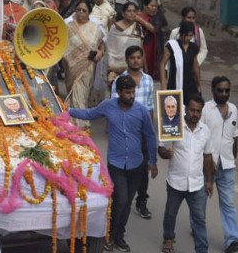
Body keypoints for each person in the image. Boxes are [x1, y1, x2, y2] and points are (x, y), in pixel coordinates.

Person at [68, 75, 158, 253]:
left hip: (136, 165)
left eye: (133, 92)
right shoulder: (108, 106)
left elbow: (150, 135)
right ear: (118, 93)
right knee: (120, 200)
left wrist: (153, 161)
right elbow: (89, 114)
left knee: (127, 203)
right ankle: (109, 236)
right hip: (116, 164)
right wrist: (68, 110)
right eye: (127, 92)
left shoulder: (141, 111)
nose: (131, 96)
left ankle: (119, 238)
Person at [158, 94, 214, 253]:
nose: (195, 114)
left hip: (197, 184)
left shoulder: (205, 131)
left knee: (200, 220)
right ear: (185, 109)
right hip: (175, 182)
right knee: (170, 214)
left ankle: (202, 249)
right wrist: (164, 153)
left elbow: (208, 156)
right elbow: (161, 148)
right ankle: (168, 238)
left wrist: (209, 181)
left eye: (198, 111)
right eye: (191, 110)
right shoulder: (173, 124)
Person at [110, 45, 156, 220]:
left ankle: (141, 202)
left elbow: (150, 106)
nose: (136, 60)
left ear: (142, 59)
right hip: (125, 134)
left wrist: (150, 132)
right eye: (132, 58)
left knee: (143, 169)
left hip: (143, 133)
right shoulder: (118, 82)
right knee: (124, 168)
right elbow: (114, 109)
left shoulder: (149, 80)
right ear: (126, 60)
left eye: (139, 57)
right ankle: (122, 201)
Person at [201, 76, 238, 253]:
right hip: (207, 165)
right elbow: (199, 137)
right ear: (213, 90)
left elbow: (235, 135)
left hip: (227, 166)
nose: (224, 93)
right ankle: (196, 228)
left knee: (228, 203)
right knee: (199, 202)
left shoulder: (233, 109)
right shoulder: (205, 110)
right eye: (220, 90)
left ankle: (232, 239)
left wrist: (233, 157)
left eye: (227, 90)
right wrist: (205, 164)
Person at [62, 0, 104, 125]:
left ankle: (80, 125)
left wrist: (100, 53)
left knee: (82, 96)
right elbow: (62, 47)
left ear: (89, 13)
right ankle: (73, 124)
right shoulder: (68, 27)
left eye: (84, 10)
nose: (80, 12)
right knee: (74, 94)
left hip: (88, 68)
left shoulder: (95, 28)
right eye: (78, 9)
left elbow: (102, 45)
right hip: (71, 68)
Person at [160, 20, 201, 102]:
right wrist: (163, 85)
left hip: (190, 84)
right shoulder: (171, 46)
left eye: (191, 35)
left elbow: (195, 67)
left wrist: (198, 84)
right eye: (186, 35)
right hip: (174, 83)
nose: (188, 38)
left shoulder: (193, 47)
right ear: (181, 34)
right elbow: (162, 64)